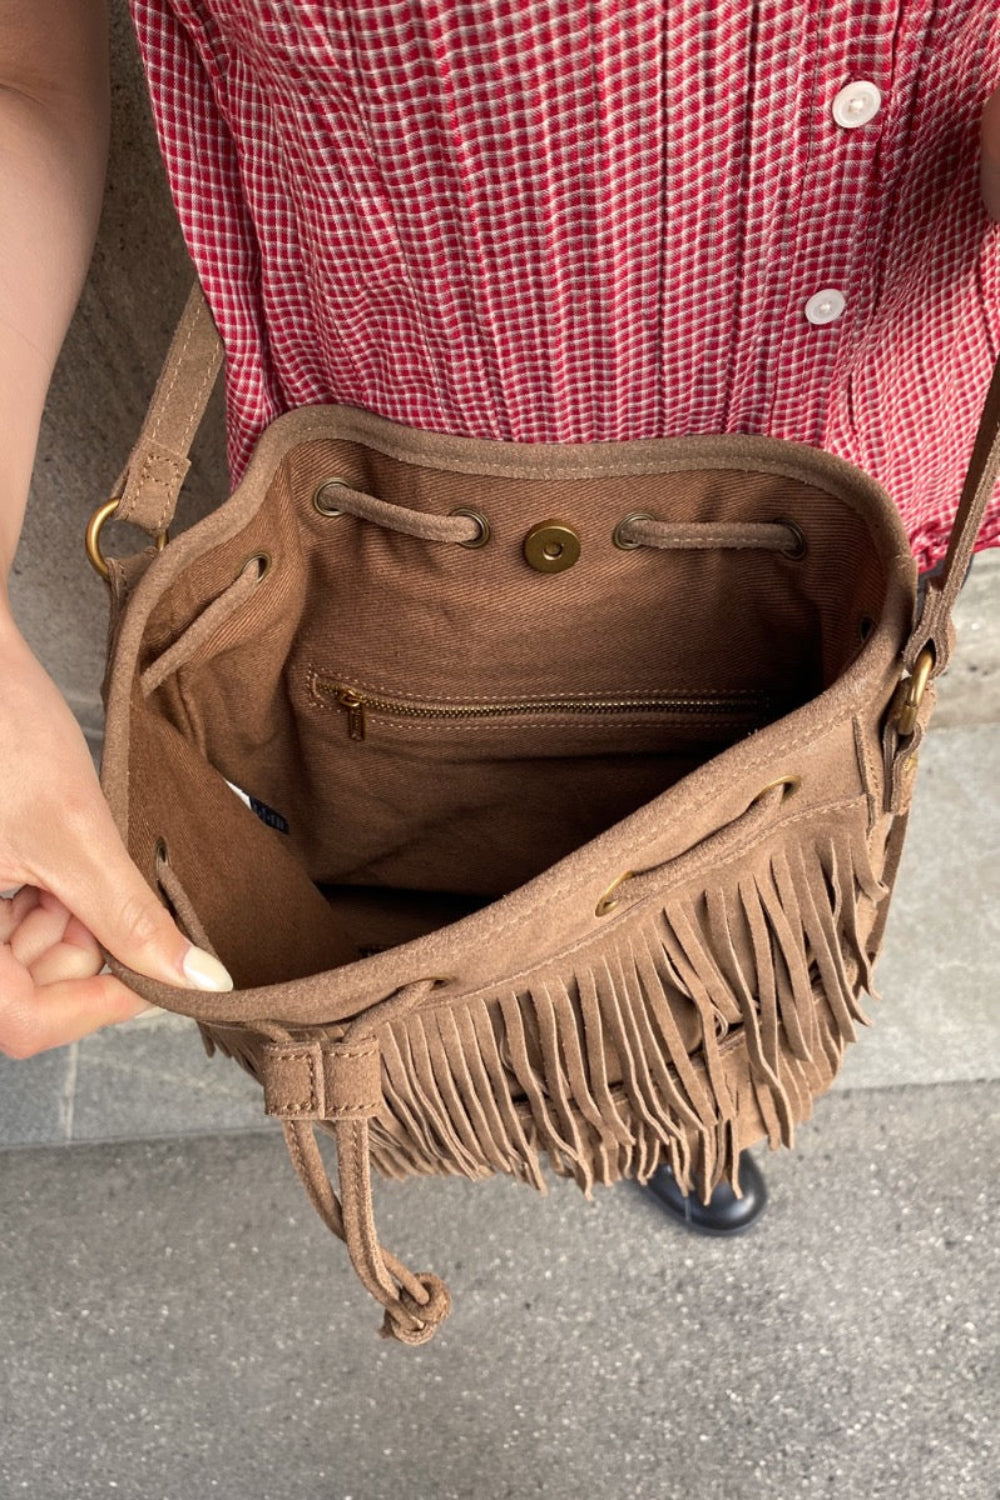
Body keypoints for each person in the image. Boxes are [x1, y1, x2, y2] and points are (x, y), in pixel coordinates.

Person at [2, 1, 999, 1235]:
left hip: (852, 500)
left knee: (757, 895)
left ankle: (678, 1093)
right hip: (411, 550)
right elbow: (21, 80)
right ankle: (596, 1088)